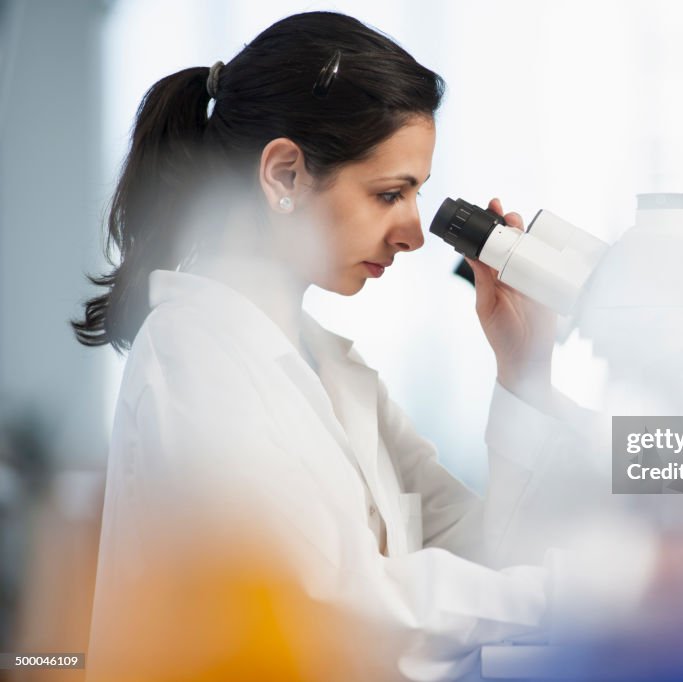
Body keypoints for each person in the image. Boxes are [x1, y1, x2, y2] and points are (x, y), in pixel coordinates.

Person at [72, 11, 653, 681]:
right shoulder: (194, 360)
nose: (414, 233)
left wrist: (522, 370)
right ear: (284, 174)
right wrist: (584, 595)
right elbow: (326, 604)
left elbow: (487, 556)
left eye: (417, 194)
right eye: (390, 193)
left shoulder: (328, 367)